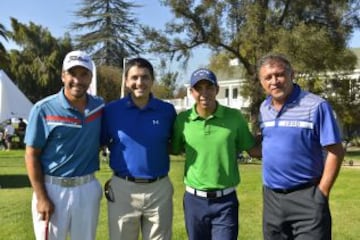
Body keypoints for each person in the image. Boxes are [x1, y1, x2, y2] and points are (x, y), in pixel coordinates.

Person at [257, 54, 344, 240]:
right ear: (261, 81)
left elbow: (335, 150)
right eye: (268, 77)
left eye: (279, 75)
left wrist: (322, 192)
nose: (274, 81)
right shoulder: (264, 109)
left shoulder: (316, 106)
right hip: (272, 199)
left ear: (292, 74)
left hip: (308, 197)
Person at [171, 68, 261, 240]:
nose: (204, 93)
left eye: (209, 87)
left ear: (217, 89)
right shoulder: (183, 120)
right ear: (191, 92)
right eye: (199, 88)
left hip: (225, 201)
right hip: (194, 200)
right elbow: (174, 148)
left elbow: (252, 150)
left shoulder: (234, 117)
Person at [24, 50, 105, 240]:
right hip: (52, 189)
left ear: (90, 78)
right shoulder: (43, 108)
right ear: (63, 76)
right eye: (72, 73)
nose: (78, 80)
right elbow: (31, 155)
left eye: (83, 74)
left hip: (87, 187)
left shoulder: (99, 107)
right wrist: (42, 197)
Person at [101, 57, 177, 240]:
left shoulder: (167, 111)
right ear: (126, 82)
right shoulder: (111, 111)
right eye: (134, 78)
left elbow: (174, 144)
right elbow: (101, 141)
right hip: (123, 189)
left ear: (152, 80)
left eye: (145, 77)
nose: (139, 82)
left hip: (159, 188)